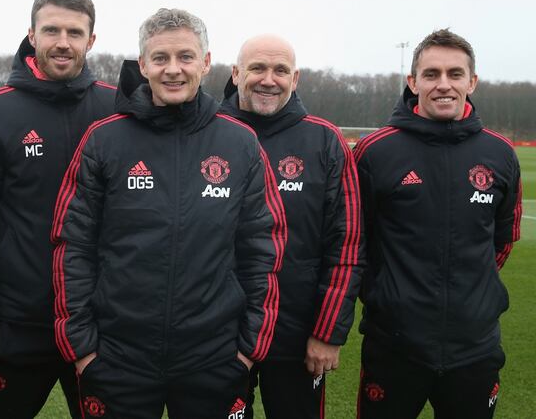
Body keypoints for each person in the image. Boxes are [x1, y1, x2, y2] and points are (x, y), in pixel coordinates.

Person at [51, 8, 287, 419]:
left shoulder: (241, 143)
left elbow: (263, 250)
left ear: (207, 62)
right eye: (160, 58)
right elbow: (72, 247)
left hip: (213, 359)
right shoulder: (104, 139)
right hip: (119, 358)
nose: (173, 70)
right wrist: (83, 348)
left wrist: (248, 352)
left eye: (185, 57)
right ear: (142, 64)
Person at [0, 0, 115, 418]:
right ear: (32, 35)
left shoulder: (114, 107)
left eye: (75, 32)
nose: (62, 43)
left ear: (91, 39)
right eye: (51, 31)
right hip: (19, 326)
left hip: (99, 325)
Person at [353, 29, 522, 419]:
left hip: (475, 349)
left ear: (472, 82)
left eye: (455, 74)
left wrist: (469, 292)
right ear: (413, 82)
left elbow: (503, 239)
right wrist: (387, 296)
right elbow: (355, 243)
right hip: (394, 347)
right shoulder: (376, 151)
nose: (443, 84)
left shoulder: (499, 154)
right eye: (431, 74)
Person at [220, 34, 365, 419]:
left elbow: (347, 244)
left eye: (281, 70)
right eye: (257, 68)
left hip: (299, 337)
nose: (269, 79)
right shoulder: (208, 133)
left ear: (295, 78)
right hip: (218, 333)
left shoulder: (325, 140)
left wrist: (328, 332)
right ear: (236, 74)